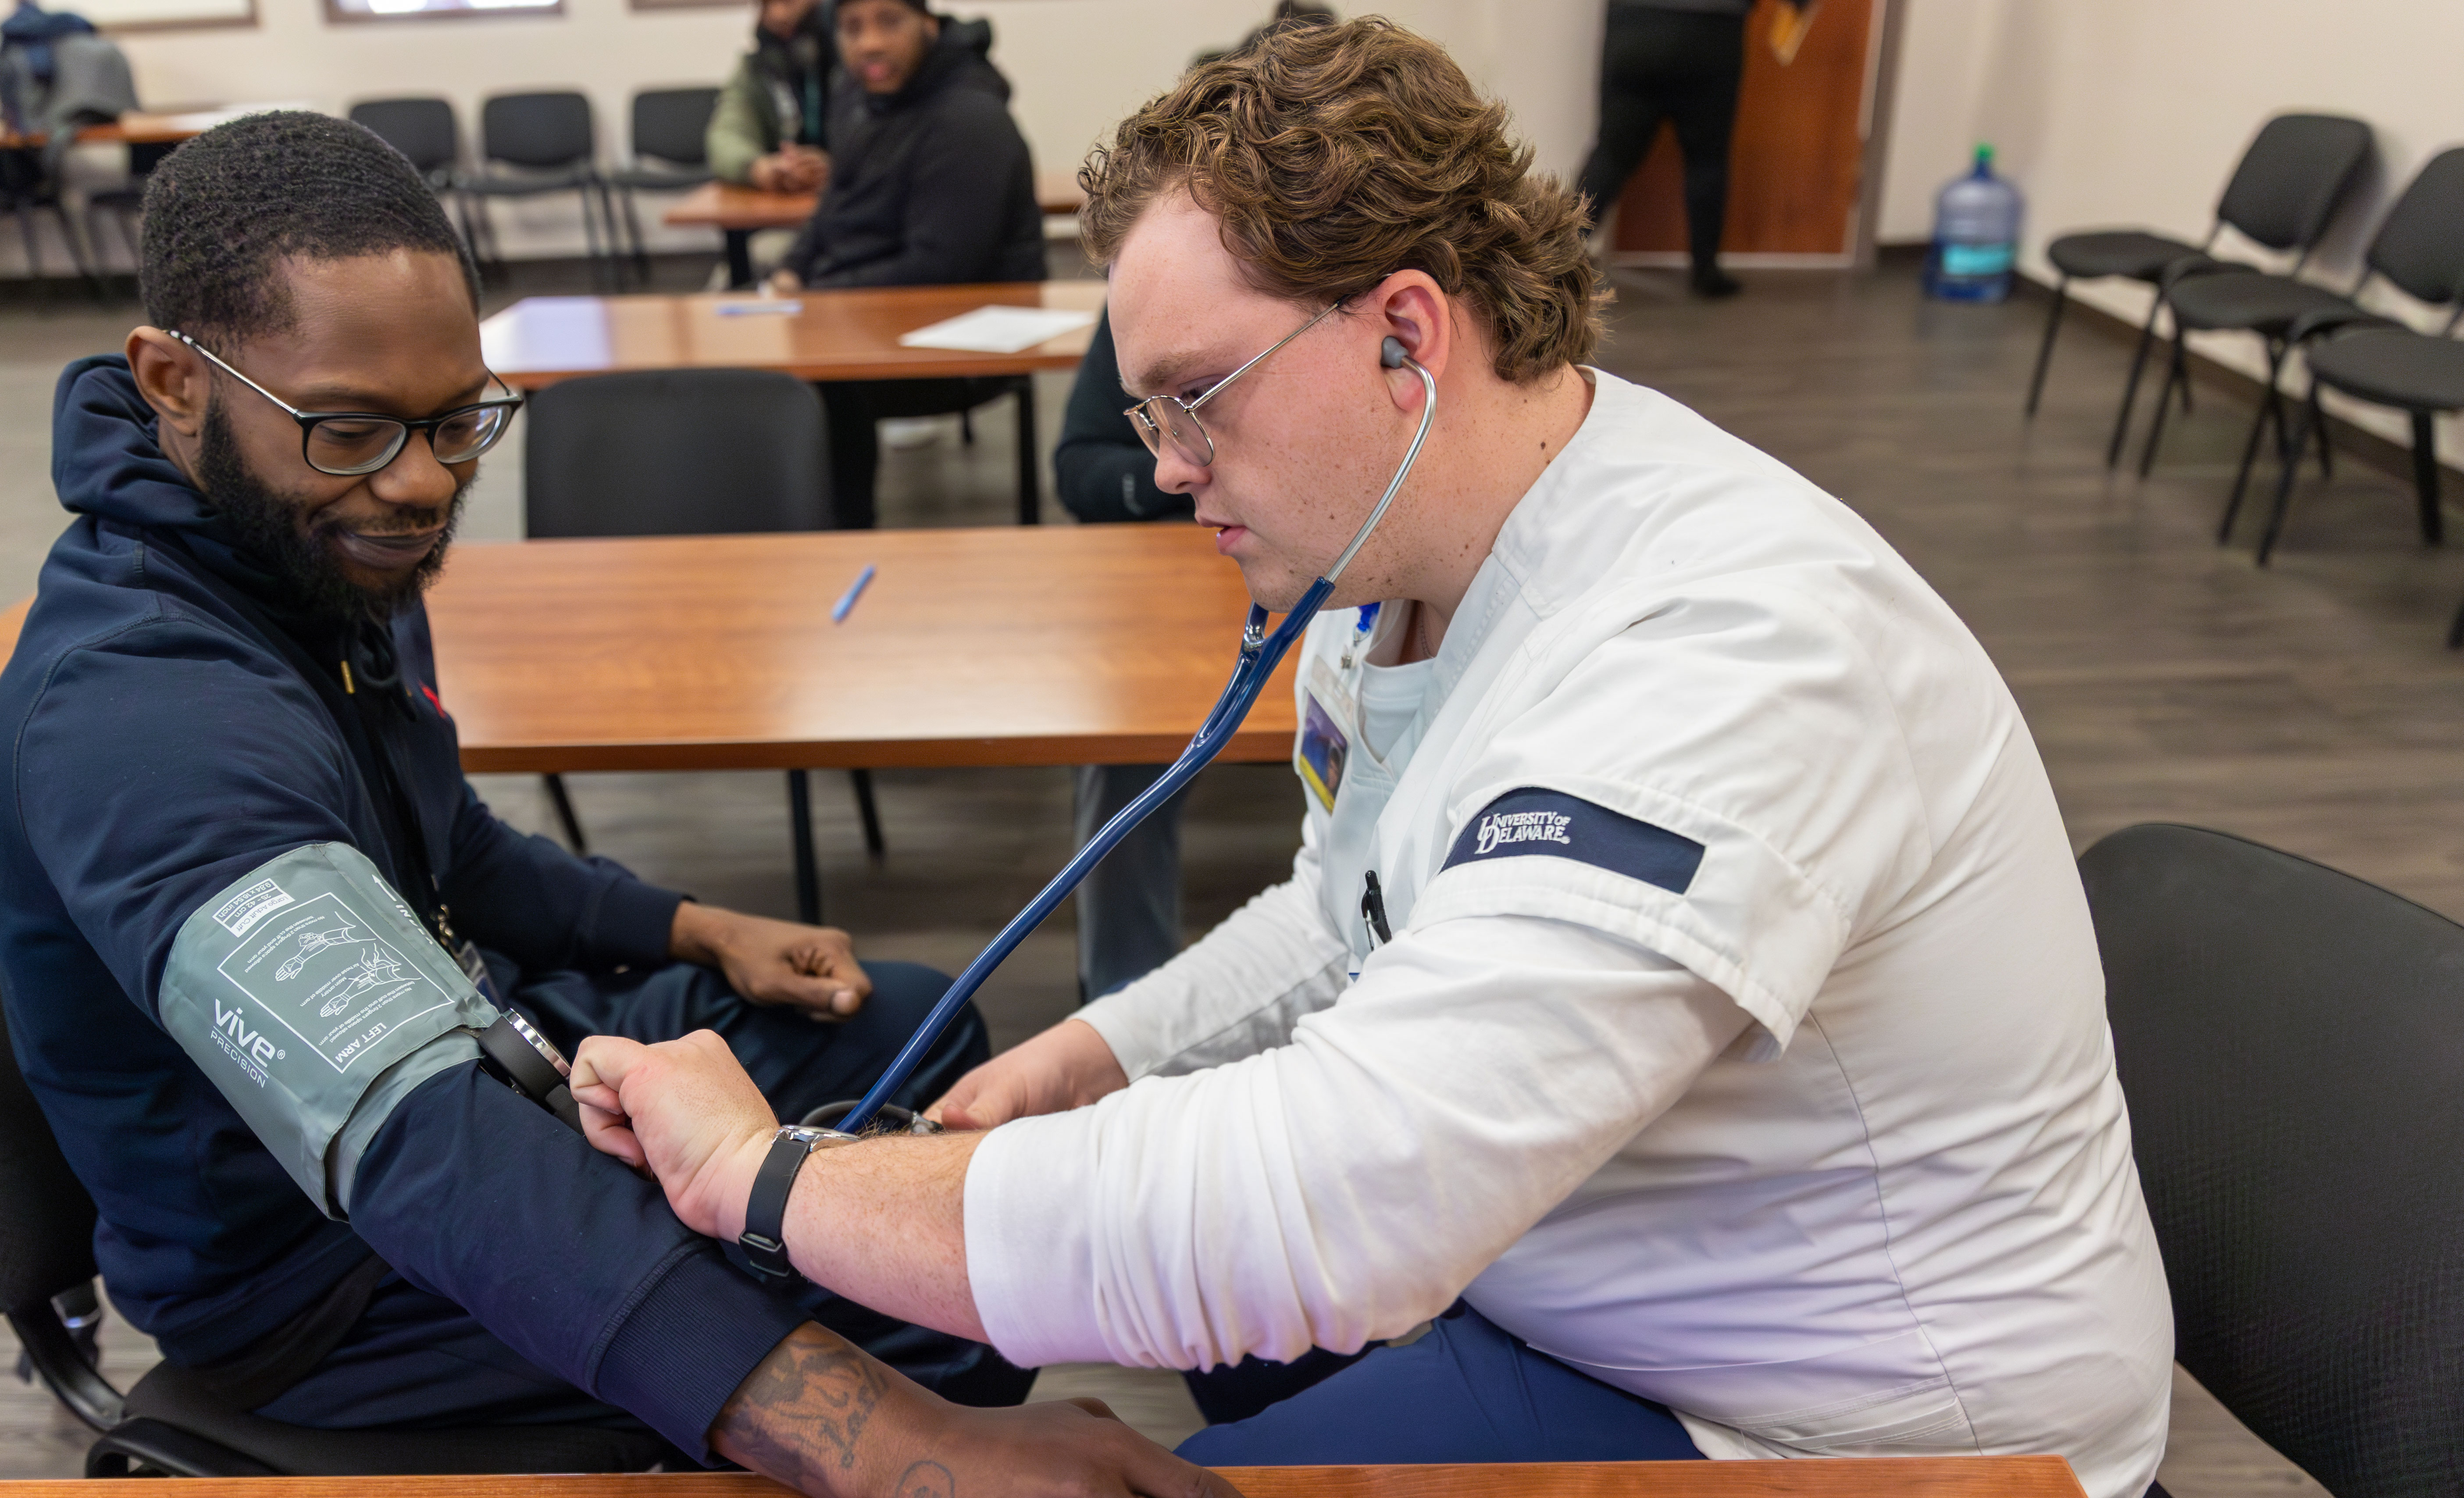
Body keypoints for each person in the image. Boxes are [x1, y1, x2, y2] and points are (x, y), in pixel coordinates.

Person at [569, 20, 2175, 1496]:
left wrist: (763, 1179)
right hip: (1577, 1274)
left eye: (1196, 400)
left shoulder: (1724, 654)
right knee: (1210, 1347)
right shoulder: (1390, 552)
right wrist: (1104, 1049)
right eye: (1145, 417)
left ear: (1405, 331)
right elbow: (1355, 902)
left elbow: (1334, 1207)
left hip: (1846, 1421)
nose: (1172, 471)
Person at [0, 111, 1223, 1498]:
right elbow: (422, 1145)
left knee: (908, 1026)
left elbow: (444, 849)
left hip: (497, 1051)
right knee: (936, 1302)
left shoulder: (315, 558)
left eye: (458, 421)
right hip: (321, 1273)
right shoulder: (143, 717)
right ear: (173, 381)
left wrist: (690, 925)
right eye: (353, 430)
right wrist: (912, 1449)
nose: (422, 483)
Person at [765, 0, 1046, 528]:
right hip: (862, 309)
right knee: (758, 367)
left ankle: (842, 536)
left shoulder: (970, 119)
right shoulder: (857, 98)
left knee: (812, 381)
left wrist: (816, 302)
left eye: (888, 21)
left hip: (956, 339)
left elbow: (939, 265)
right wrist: (790, 272)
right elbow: (831, 207)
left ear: (929, 27)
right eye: (852, 28)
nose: (869, 42)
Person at [1054, 310, 1194, 1002]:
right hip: (1176, 577)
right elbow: (1077, 466)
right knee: (1123, 733)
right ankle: (1121, 995)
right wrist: (1175, 476)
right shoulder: (1151, 303)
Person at [1575, 0, 1803, 300]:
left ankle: (1552, 258)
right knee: (1707, 160)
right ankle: (1706, 273)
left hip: (1634, 24)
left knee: (1611, 154)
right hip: (1712, 32)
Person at [707, 0, 835, 195]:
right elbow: (726, 136)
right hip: (781, 197)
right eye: (768, 4)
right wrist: (760, 168)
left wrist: (835, 165)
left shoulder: (849, 65)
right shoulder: (754, 70)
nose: (778, 15)